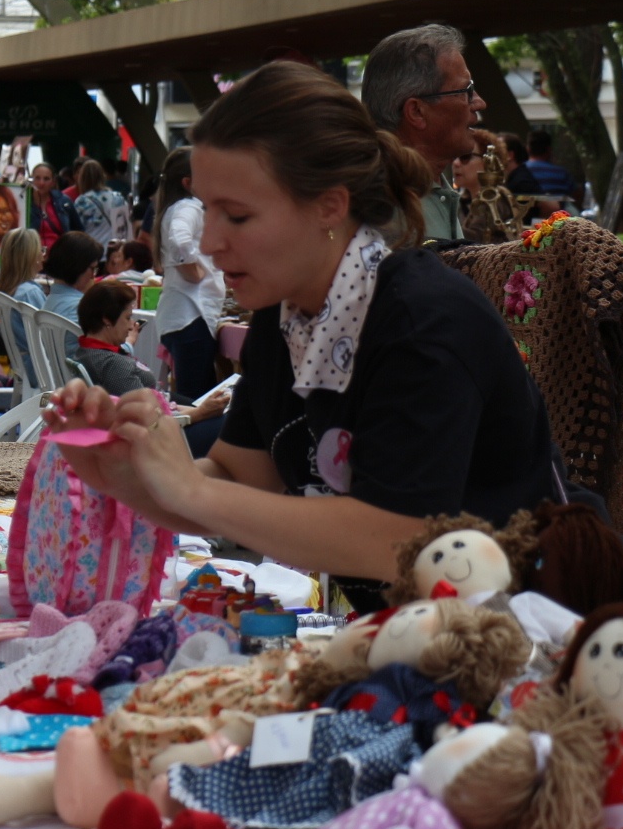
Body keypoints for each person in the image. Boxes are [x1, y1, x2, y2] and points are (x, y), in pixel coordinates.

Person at [48, 60, 560, 610]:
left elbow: (395, 541)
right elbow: (237, 476)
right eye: (205, 211)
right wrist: (128, 475)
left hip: (535, 639)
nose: (211, 242)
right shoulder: (284, 313)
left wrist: (187, 487)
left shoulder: (423, 322)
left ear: (330, 206)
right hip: (419, 638)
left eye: (237, 216)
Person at [361, 23, 488, 243]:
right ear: (417, 112)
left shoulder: (432, 188)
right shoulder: (380, 206)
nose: (479, 103)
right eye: (466, 91)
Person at [69, 281, 228, 455]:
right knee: (232, 426)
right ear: (106, 319)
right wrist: (200, 414)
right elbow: (146, 419)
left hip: (163, 416)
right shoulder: (113, 364)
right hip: (161, 439)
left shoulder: (86, 352)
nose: (131, 326)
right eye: (127, 318)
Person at [152, 147, 226, 404]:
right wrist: (193, 270)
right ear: (188, 182)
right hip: (190, 315)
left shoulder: (177, 207)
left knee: (194, 394)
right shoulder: (189, 206)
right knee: (195, 399)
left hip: (184, 316)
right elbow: (179, 240)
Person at [0, 227, 46, 380]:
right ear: (31, 256)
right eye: (40, 250)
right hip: (40, 371)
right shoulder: (29, 293)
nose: (43, 255)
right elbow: (49, 338)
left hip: (25, 368)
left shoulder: (12, 290)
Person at [41, 229, 103, 324]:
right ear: (77, 266)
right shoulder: (80, 308)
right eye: (93, 268)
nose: (92, 276)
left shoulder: (50, 301)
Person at [72, 158, 130, 247]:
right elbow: (125, 229)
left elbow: (76, 232)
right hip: (115, 252)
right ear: (102, 176)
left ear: (82, 179)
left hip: (92, 251)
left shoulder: (82, 201)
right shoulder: (118, 198)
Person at [28, 161, 76, 247]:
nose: (41, 183)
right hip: (32, 254)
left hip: (60, 255)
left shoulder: (64, 201)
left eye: (46, 179)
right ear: (31, 180)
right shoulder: (23, 203)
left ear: (53, 182)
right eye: (37, 178)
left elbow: (77, 230)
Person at [524, 129, 579, 204]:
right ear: (549, 149)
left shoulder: (519, 172)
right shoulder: (562, 174)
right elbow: (576, 196)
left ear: (528, 149)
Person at [499, 131, 541, 197]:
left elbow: (551, 205)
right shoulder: (514, 178)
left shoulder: (522, 182)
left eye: (497, 151)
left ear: (509, 155)